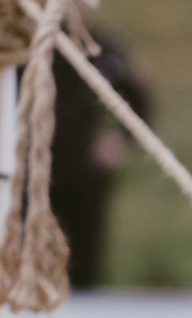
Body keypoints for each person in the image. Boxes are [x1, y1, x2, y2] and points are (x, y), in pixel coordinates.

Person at [47, 23, 154, 290]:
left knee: (85, 253)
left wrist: (122, 140)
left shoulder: (99, 47)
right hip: (33, 168)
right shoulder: (26, 42)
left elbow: (140, 95)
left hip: (84, 171)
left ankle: (82, 308)